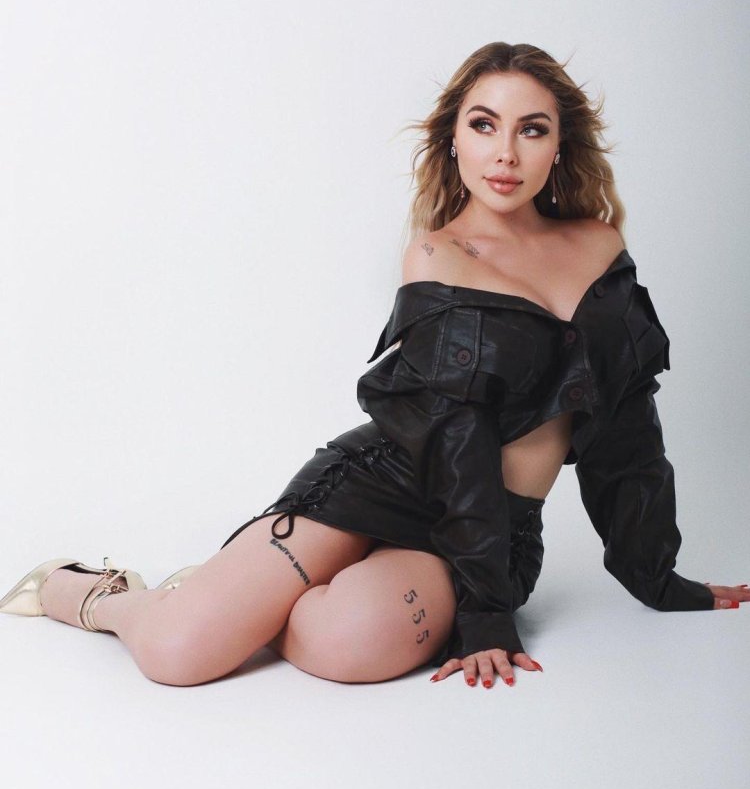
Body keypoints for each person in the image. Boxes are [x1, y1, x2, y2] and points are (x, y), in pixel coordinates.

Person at [2, 42, 747, 690]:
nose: (505, 153)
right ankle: (98, 593)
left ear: (559, 146)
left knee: (345, 644)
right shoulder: (437, 255)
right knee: (177, 653)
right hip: (379, 482)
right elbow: (455, 436)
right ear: (453, 140)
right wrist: (486, 612)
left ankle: (233, 596)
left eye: (531, 129)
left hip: (488, 524)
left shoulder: (600, 248)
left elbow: (627, 424)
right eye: (483, 125)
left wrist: (654, 574)